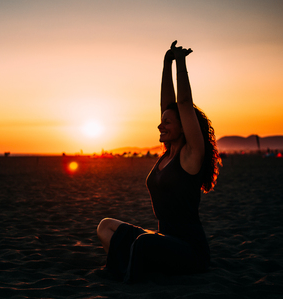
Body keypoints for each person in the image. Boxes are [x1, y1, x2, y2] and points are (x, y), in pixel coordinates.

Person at [96, 41, 221, 282]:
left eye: (167, 122)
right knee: (105, 226)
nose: (160, 125)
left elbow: (182, 104)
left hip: (189, 250)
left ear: (184, 127)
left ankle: (128, 271)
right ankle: (134, 264)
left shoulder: (191, 155)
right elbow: (168, 105)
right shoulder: (168, 153)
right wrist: (166, 63)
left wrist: (181, 63)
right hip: (163, 241)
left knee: (143, 242)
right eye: (161, 121)